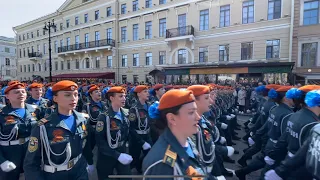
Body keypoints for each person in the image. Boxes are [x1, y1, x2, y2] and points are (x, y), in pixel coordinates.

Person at [23, 80, 91, 180]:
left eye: (75, 94)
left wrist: (90, 163)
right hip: (55, 174)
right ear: (55, 98)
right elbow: (31, 163)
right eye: (67, 95)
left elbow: (86, 147)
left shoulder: (83, 119)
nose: (73, 98)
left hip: (79, 171)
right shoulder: (42, 126)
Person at [142, 89, 216, 180]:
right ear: (172, 119)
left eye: (196, 111)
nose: (198, 117)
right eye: (191, 112)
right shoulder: (162, 163)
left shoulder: (187, 141)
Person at [95, 86, 136, 180]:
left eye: (124, 96)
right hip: (107, 155)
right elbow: (100, 141)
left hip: (122, 151)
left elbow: (130, 132)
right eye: (121, 96)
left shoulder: (126, 113)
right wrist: (117, 155)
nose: (124, 99)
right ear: (111, 98)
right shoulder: (104, 117)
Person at [0, 81, 39, 180]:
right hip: (10, 154)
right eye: (16, 92)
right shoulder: (2, 114)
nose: (21, 94)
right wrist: (2, 160)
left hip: (31, 152)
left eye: (23, 91)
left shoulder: (35, 110)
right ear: (7, 96)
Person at [128, 85, 152, 173]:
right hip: (136, 139)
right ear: (138, 94)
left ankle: (142, 171)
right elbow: (131, 128)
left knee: (150, 156)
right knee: (134, 160)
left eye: (148, 91)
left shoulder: (149, 106)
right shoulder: (134, 109)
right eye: (145, 91)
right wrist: (142, 142)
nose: (148, 93)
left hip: (147, 136)